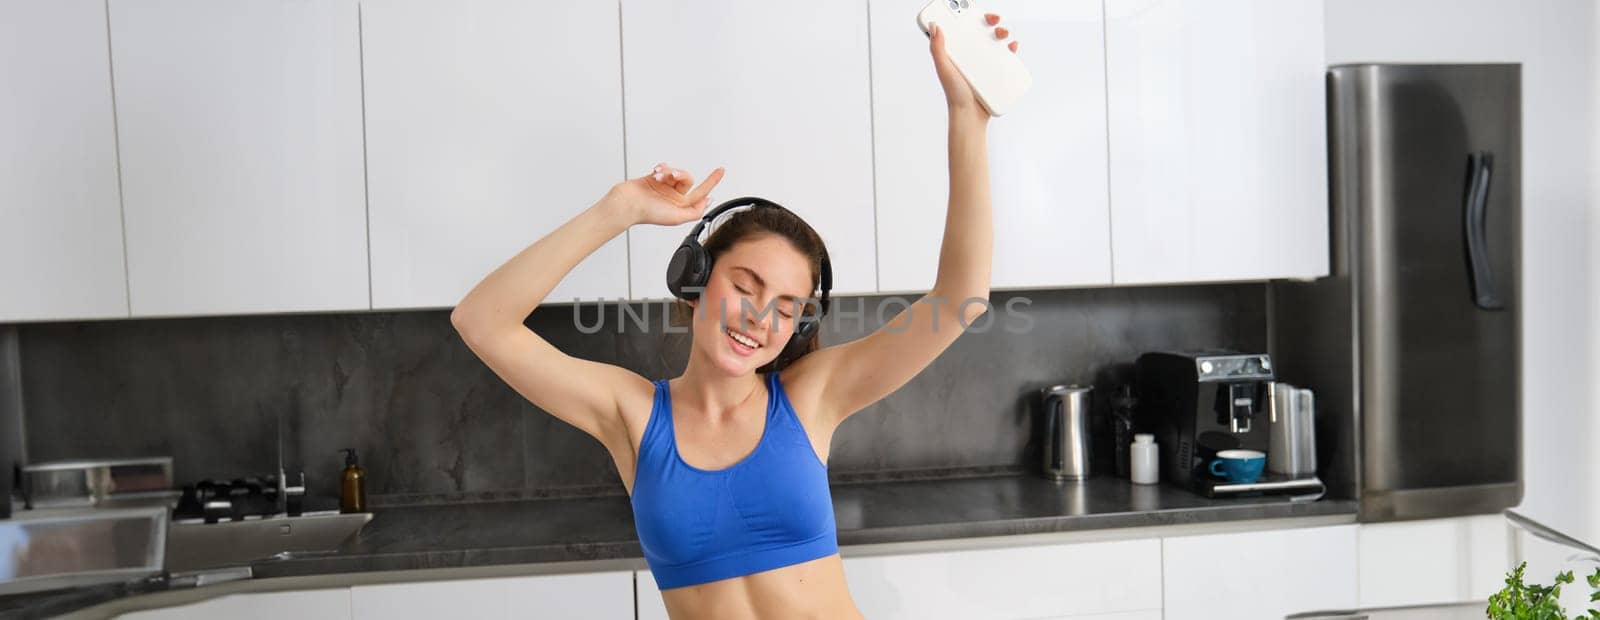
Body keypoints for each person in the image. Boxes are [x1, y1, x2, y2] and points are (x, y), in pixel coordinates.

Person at [452, 17, 1015, 619]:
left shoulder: (811, 397)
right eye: (746, 287)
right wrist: (618, 210)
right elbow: (481, 321)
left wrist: (967, 116)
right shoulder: (633, 415)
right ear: (695, 282)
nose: (759, 319)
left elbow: (960, 300)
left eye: (786, 309)